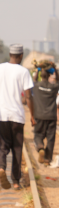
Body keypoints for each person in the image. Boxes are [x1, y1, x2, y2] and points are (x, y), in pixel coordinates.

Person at [0, 44, 34, 190]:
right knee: (17, 149)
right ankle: (15, 181)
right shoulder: (24, 71)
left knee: (2, 146)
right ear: (20, 56)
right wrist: (32, 115)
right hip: (17, 116)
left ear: (10, 54)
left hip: (2, 115)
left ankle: (1, 168)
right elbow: (28, 96)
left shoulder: (0, 68)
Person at [31, 66, 59, 165]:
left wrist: (37, 71)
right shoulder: (53, 87)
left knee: (38, 134)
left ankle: (40, 147)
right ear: (49, 75)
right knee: (51, 138)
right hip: (51, 116)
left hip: (39, 116)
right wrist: (55, 69)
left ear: (40, 75)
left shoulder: (36, 85)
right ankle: (47, 159)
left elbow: (33, 80)